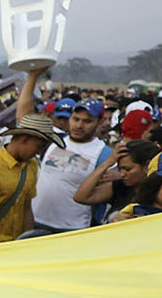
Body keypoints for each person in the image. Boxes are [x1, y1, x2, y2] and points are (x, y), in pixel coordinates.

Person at [0, 68, 60, 244]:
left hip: (16, 244)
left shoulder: (31, 166)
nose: (38, 152)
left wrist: (27, 242)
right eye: (37, 147)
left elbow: (26, 208)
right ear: (23, 139)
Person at [27, 98, 111, 235]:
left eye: (87, 121)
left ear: (100, 122)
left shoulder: (104, 154)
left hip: (72, 230)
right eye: (75, 119)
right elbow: (24, 116)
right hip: (36, 222)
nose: (79, 125)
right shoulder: (54, 141)